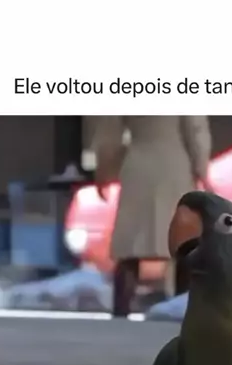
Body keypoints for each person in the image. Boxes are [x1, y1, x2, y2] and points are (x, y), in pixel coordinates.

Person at [91, 116, 212, 316]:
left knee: (129, 246)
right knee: (182, 244)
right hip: (176, 167)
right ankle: (183, 310)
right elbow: (195, 129)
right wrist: (202, 171)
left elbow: (109, 135)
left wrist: (104, 172)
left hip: (139, 166)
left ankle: (120, 312)